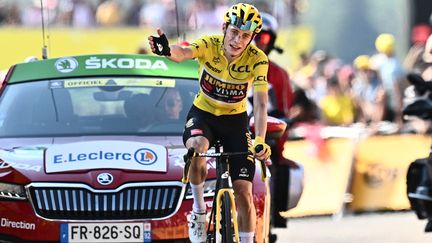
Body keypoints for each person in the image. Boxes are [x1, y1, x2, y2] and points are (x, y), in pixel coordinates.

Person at [148, 3, 271, 243]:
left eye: (245, 36)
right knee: (197, 148)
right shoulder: (209, 44)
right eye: (234, 32)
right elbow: (182, 53)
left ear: (252, 38)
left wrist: (260, 140)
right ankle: (199, 212)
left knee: (244, 193)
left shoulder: (258, 60)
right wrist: (165, 50)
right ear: (224, 28)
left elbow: (261, 104)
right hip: (204, 115)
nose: (237, 40)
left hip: (235, 122)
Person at [253, 12, 294, 229]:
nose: (258, 42)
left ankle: (269, 214)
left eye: (264, 38)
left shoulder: (278, 74)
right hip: (231, 133)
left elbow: (284, 112)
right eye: (253, 36)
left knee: (273, 162)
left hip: (264, 139)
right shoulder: (227, 67)